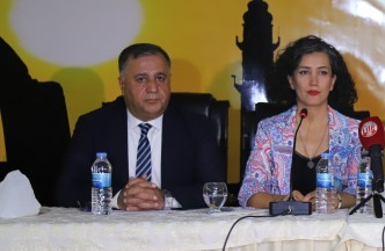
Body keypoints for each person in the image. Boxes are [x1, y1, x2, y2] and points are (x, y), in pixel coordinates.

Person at [57, 43, 225, 210]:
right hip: (114, 224)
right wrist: (118, 198)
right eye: (141, 79)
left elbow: (215, 188)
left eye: (160, 78)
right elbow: (68, 189)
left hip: (175, 224)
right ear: (122, 84)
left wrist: (165, 199)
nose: (153, 88)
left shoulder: (196, 126)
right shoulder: (93, 125)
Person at [238, 35, 361, 209]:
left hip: (336, 225)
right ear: (291, 81)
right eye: (304, 72)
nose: (314, 82)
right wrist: (283, 200)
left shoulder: (354, 131)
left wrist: (337, 200)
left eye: (322, 72)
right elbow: (248, 193)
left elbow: (364, 192)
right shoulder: (270, 130)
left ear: (332, 81)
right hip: (282, 224)